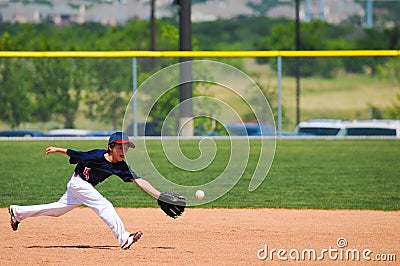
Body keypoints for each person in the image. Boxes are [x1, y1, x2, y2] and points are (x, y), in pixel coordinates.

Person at [8, 131, 162, 250]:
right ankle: (124, 238)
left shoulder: (120, 166)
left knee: (57, 211)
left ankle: (18, 212)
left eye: (126, 147)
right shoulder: (96, 155)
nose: (124, 150)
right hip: (78, 183)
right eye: (120, 147)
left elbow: (139, 181)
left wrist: (160, 196)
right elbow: (76, 153)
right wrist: (57, 149)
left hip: (82, 187)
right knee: (104, 205)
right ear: (110, 147)